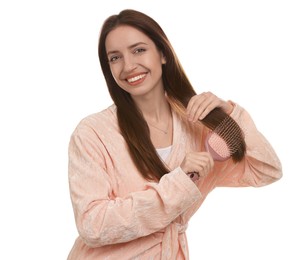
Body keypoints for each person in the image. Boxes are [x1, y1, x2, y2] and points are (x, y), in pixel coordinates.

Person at [67, 9, 282, 260]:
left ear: (163, 54)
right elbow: (92, 225)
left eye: (138, 50)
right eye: (115, 57)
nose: (128, 66)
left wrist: (231, 115)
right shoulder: (93, 133)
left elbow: (266, 170)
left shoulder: (198, 129)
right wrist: (178, 183)